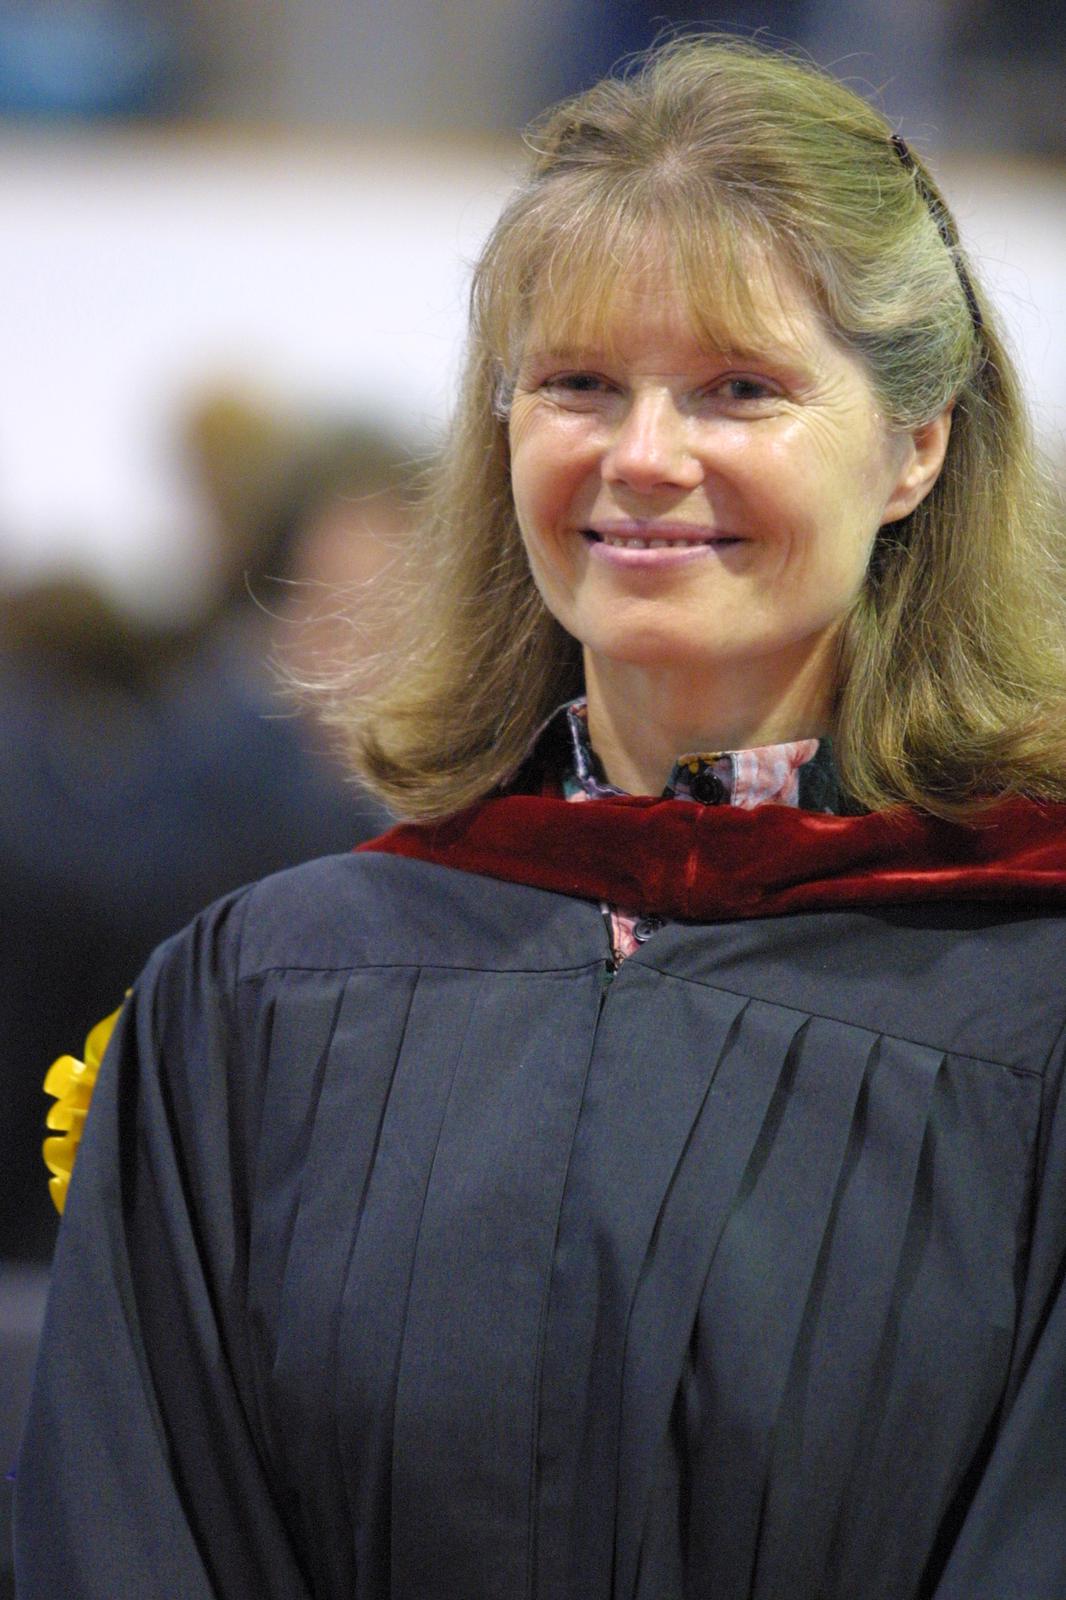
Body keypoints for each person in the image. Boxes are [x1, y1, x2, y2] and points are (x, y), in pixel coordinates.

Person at [13, 35, 1066, 1600]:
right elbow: (127, 1524)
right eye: (576, 383)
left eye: (737, 390)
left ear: (914, 447)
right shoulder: (263, 998)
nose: (642, 457)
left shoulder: (1027, 1010)